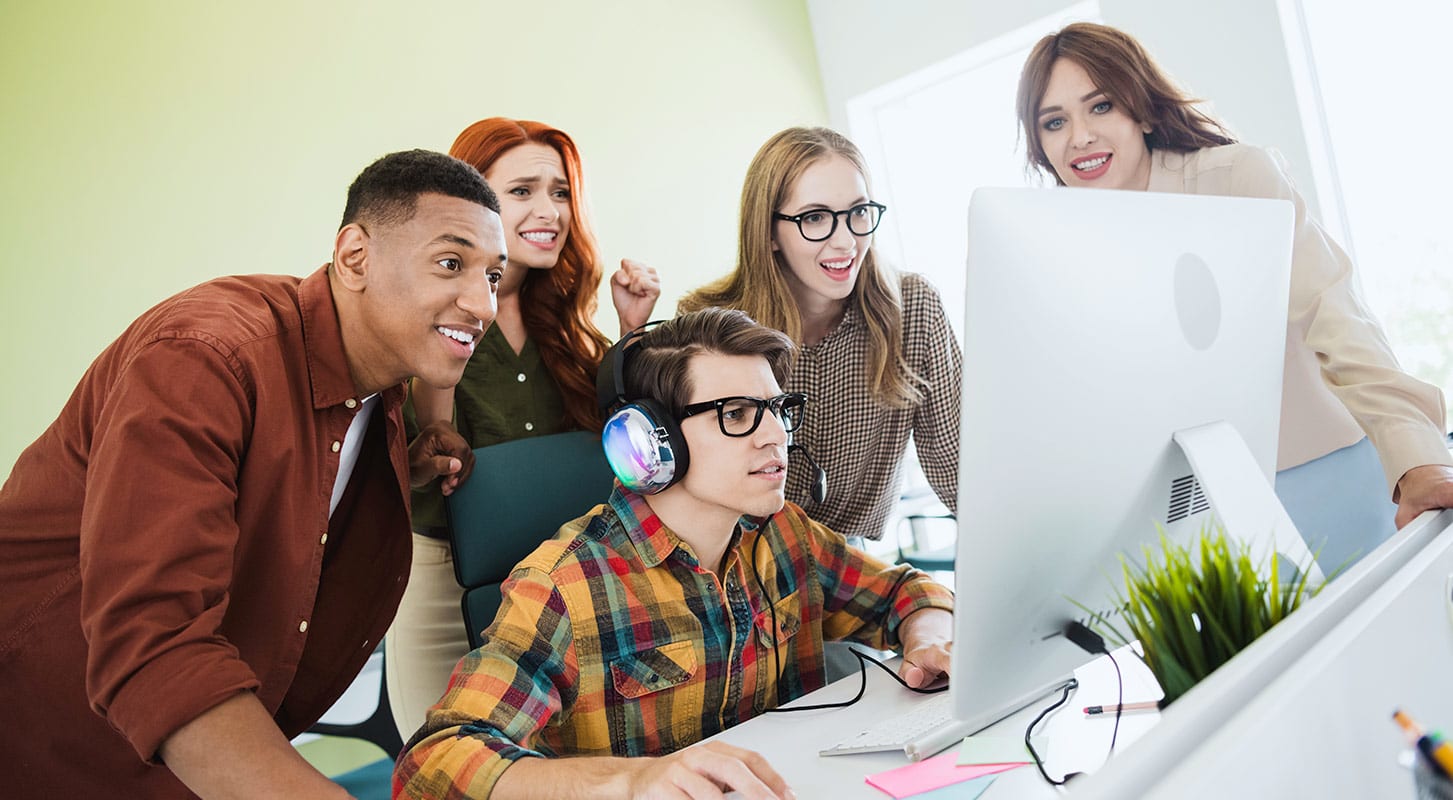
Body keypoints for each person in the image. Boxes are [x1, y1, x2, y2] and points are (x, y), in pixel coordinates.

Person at [0, 149, 504, 798]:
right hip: (42, 735)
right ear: (355, 257)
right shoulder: (205, 356)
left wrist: (392, 474)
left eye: (493, 276)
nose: (481, 303)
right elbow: (152, 643)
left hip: (183, 759)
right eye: (450, 263)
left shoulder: (378, 386)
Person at [393, 308, 954, 800]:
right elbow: (435, 764)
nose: (775, 437)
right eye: (737, 414)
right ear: (649, 441)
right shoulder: (564, 588)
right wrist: (633, 781)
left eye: (777, 410)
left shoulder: (785, 535)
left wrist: (928, 640)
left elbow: (905, 593)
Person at [1016, 22, 1453, 568]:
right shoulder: (1060, 256)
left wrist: (1419, 460)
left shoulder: (1235, 179)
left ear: (1143, 110)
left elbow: (1336, 317)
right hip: (1212, 523)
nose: (1079, 136)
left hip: (1337, 473)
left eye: (1100, 106)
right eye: (1054, 122)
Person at [387, 117, 661, 740]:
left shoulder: (565, 326)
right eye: (523, 191)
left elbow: (624, 449)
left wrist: (630, 331)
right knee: (450, 767)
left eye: (561, 192)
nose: (551, 210)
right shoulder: (417, 316)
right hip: (441, 584)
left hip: (563, 585)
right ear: (472, 202)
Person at [679, 127, 962, 542]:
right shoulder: (709, 323)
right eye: (815, 218)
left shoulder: (914, 309)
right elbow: (689, 480)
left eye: (859, 212)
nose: (846, 241)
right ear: (770, 233)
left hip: (849, 563)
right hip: (737, 560)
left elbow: (959, 470)